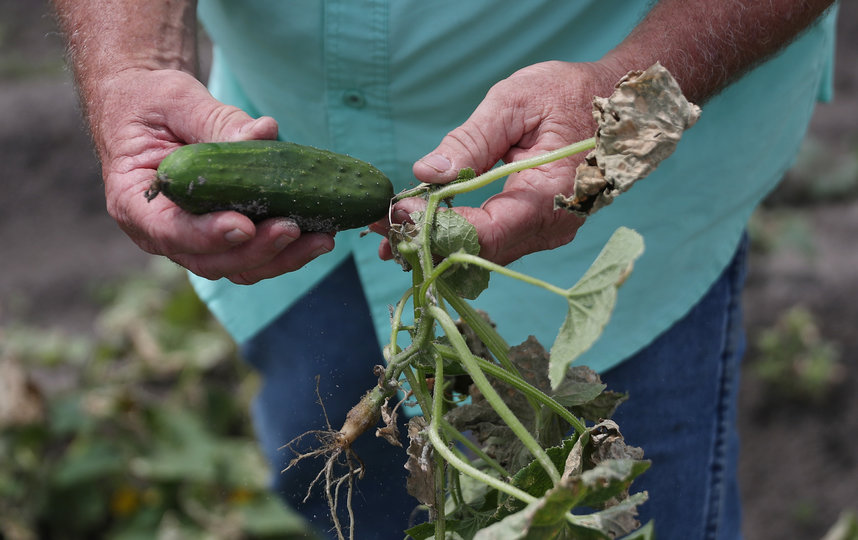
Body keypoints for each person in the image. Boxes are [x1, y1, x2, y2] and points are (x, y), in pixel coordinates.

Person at [51, 1, 838, 538]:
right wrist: (131, 65)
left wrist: (624, 104)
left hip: (611, 193)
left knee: (600, 501)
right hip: (288, 216)